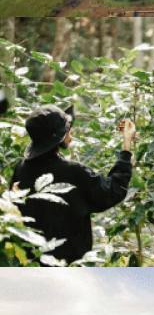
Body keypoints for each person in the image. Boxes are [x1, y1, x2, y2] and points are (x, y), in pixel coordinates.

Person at [10, 105, 135, 264]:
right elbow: (115, 190)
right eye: (68, 128)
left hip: (30, 263)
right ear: (59, 137)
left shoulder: (20, 169)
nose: (71, 131)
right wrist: (126, 146)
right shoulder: (74, 172)